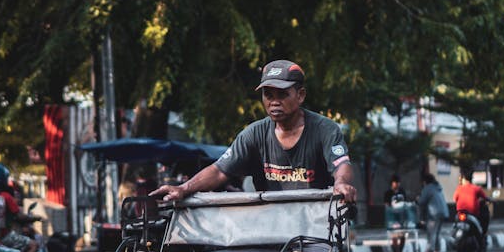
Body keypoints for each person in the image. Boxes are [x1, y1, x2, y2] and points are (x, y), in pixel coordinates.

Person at [152, 59, 357, 203]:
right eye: (268, 95)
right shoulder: (253, 134)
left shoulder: (325, 130)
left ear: (300, 95)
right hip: (268, 223)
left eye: (282, 94)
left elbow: (341, 166)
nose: (274, 102)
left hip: (315, 223)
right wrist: (183, 189)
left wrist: (341, 184)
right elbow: (219, 170)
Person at [453, 168, 490, 250]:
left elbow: (454, 199)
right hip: (472, 214)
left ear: (463, 179)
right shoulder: (476, 188)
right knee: (481, 227)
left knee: (455, 225)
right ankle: (481, 244)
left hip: (460, 214)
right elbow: (484, 198)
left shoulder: (459, 188)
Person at [418, 172, 449, 252]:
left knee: (432, 233)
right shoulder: (437, 187)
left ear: (425, 181)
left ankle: (428, 251)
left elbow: (422, 202)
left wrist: (418, 199)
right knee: (438, 232)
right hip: (443, 212)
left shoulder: (428, 188)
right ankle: (437, 251)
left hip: (434, 213)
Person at [383, 174, 411, 252]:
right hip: (392, 216)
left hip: (402, 216)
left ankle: (401, 251)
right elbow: (386, 205)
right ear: (392, 183)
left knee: (403, 234)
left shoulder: (402, 191)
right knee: (394, 234)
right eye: (396, 182)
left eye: (398, 182)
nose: (397, 184)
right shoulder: (388, 193)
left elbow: (405, 202)